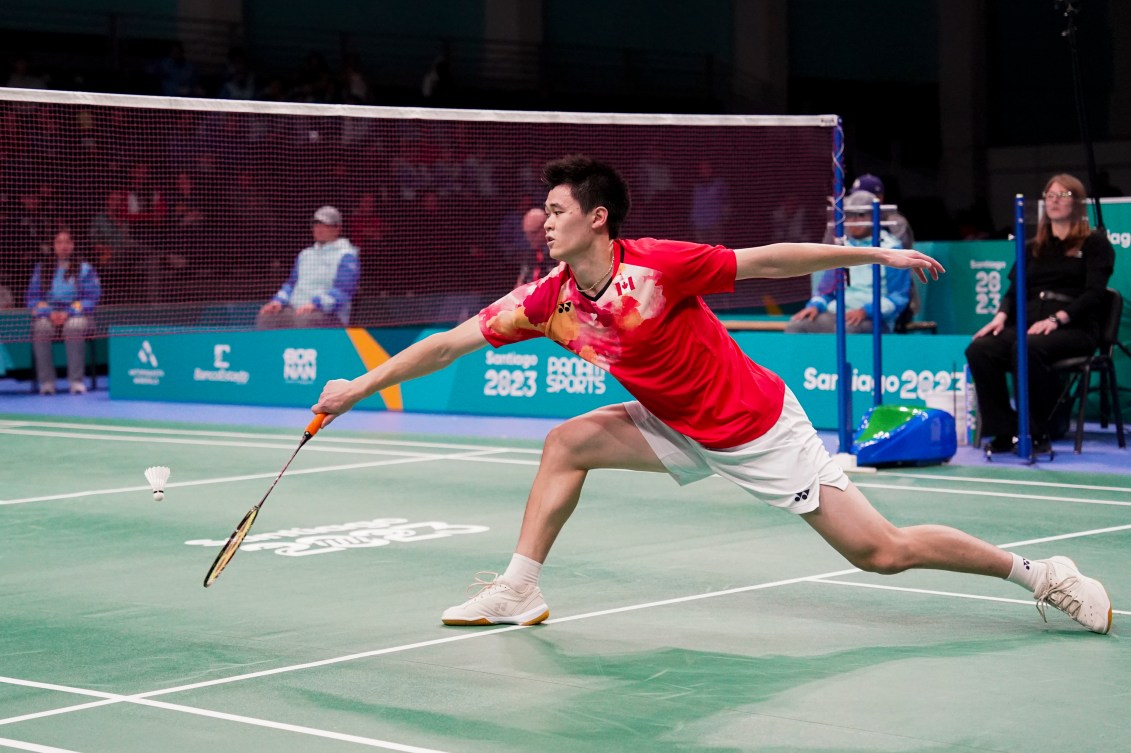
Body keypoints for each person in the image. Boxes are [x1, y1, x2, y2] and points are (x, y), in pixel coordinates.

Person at [312, 156, 1112, 635]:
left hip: (756, 428)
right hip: (671, 422)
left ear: (596, 218)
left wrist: (874, 254)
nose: (543, 224)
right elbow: (450, 341)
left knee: (881, 552)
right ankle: (517, 586)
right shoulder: (547, 299)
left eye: (555, 212)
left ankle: (1040, 573)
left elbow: (767, 259)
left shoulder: (655, 265)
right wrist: (359, 386)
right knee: (566, 443)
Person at [965, 173, 1115, 455]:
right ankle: (1004, 430)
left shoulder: (1095, 244)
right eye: (1050, 195)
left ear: (1078, 203)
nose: (1055, 201)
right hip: (1030, 324)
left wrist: (1057, 319)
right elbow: (1013, 292)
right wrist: (1000, 316)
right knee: (981, 349)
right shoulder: (1031, 247)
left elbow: (1094, 295)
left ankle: (1036, 430)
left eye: (1064, 195)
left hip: (1075, 329)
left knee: (1026, 348)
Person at [786, 190, 909, 333]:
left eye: (861, 215)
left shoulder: (891, 249)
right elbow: (826, 290)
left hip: (874, 319)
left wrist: (866, 311)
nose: (854, 221)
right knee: (798, 325)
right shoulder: (841, 248)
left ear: (875, 216)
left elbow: (898, 297)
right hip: (837, 314)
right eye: (850, 215)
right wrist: (815, 305)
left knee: (848, 329)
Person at [257, 205, 359, 329]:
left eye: (324, 225)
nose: (319, 229)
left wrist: (315, 304)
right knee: (267, 317)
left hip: (328, 314)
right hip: (296, 309)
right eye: (316, 225)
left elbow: (343, 292)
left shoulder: (347, 255)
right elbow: (291, 284)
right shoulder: (305, 254)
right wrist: (277, 301)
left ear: (337, 229)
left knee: (304, 320)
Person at [26, 227, 101, 395]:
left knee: (73, 327)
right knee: (41, 328)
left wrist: (69, 312)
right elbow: (32, 298)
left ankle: (76, 382)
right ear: (53, 245)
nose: (64, 246)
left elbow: (91, 298)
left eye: (67, 242)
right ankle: (46, 383)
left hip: (77, 315)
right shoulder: (42, 268)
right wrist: (48, 313)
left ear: (73, 245)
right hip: (49, 315)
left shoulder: (85, 268)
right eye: (59, 242)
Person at [823, 173, 915, 252]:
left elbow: (899, 254)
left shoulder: (895, 222)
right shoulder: (846, 219)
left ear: (879, 198)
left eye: (862, 197)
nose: (857, 201)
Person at [514, 207, 550, 287]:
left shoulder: (559, 254)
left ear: (544, 229)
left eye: (533, 233)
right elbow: (520, 283)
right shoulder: (530, 254)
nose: (529, 238)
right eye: (526, 234)